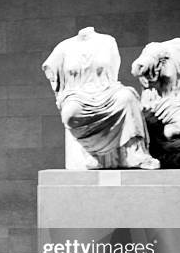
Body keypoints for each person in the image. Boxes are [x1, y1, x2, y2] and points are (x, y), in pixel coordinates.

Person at [42, 27, 159, 169]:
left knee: (127, 97)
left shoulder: (107, 41)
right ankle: (91, 154)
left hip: (106, 89)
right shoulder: (64, 47)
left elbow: (113, 69)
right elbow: (49, 67)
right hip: (77, 94)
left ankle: (134, 153)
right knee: (70, 113)